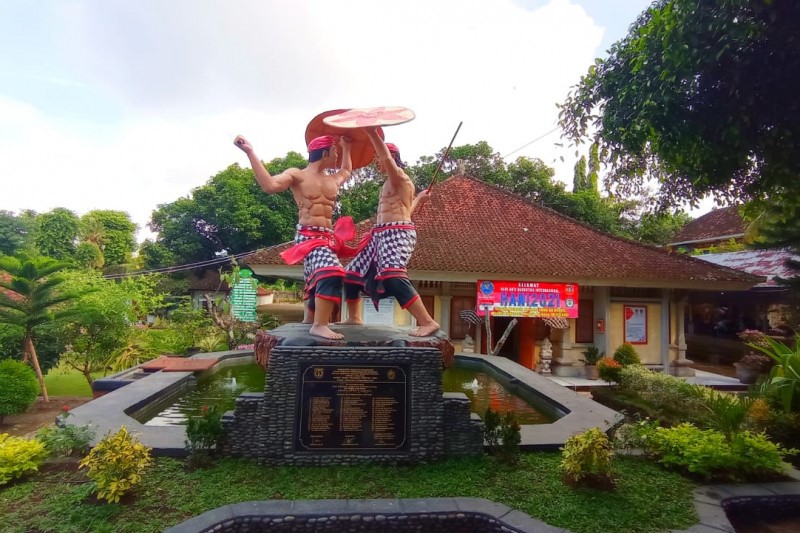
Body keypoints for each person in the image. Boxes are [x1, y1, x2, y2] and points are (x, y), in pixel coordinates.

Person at [234, 134, 353, 339]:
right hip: (308, 235)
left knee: (313, 278)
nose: (337, 155)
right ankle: (320, 324)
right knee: (331, 271)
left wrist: (347, 146)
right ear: (325, 153)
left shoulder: (332, 178)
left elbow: (347, 171)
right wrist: (250, 152)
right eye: (335, 151)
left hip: (327, 237)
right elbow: (270, 186)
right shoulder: (298, 175)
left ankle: (310, 318)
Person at [341, 128, 440, 337]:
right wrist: (419, 199)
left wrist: (371, 132)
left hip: (397, 234)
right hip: (380, 235)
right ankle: (354, 317)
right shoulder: (391, 183)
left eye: (378, 157)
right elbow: (405, 211)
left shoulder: (399, 177)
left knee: (392, 275)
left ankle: (428, 322)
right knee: (351, 274)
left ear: (391, 158)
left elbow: (386, 158)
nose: (377, 162)